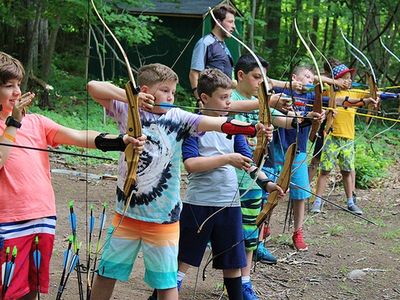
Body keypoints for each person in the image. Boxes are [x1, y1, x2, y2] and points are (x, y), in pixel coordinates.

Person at [87, 63, 270, 300]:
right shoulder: (126, 110)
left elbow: (219, 123)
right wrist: (131, 98)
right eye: (165, 90)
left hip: (164, 218)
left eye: (173, 91)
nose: (171, 96)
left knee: (166, 282)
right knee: (106, 272)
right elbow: (93, 87)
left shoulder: (179, 117)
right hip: (126, 214)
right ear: (145, 90)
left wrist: (254, 129)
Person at [0, 52, 146, 300]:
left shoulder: (37, 122)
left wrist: (121, 141)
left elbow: (78, 136)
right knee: (6, 291)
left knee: (31, 291)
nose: (16, 92)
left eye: (18, 85)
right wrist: (13, 124)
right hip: (8, 224)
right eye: (7, 86)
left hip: (42, 218)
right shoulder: (12, 126)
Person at [176, 68, 284, 300]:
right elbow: (191, 164)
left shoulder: (233, 127)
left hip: (230, 204)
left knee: (232, 261)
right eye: (224, 97)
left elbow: (247, 162)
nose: (229, 102)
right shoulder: (193, 126)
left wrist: (267, 184)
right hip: (200, 203)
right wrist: (227, 159)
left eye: (229, 97)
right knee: (184, 258)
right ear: (204, 98)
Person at [230, 53, 304, 299]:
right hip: (230, 180)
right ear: (240, 75)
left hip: (254, 179)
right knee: (228, 235)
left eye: (263, 78)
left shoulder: (260, 100)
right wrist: (268, 102)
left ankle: (245, 283)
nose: (260, 83)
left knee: (251, 233)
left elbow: (283, 122)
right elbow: (227, 113)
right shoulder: (230, 98)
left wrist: (306, 120)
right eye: (255, 77)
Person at [311, 59, 378, 215]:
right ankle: (317, 201)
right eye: (345, 78)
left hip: (347, 138)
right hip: (331, 136)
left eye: (350, 78)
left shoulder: (354, 92)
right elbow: (315, 78)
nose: (349, 81)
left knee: (347, 171)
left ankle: (350, 202)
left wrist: (374, 98)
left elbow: (374, 94)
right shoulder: (329, 92)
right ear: (336, 79)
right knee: (325, 171)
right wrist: (336, 83)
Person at [272, 65, 325, 251]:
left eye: (312, 78)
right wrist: (289, 86)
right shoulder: (281, 91)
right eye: (307, 76)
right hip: (279, 147)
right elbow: (265, 85)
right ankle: (264, 226)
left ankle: (298, 232)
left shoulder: (311, 97)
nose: (310, 80)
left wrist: (320, 114)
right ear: (295, 77)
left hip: (299, 149)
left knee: (301, 192)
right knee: (272, 190)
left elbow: (329, 99)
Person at [189, 4, 236, 99]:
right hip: (210, 102)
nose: (234, 26)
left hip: (224, 101)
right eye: (230, 22)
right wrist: (200, 100)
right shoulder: (205, 43)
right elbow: (194, 74)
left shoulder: (223, 45)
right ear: (218, 22)